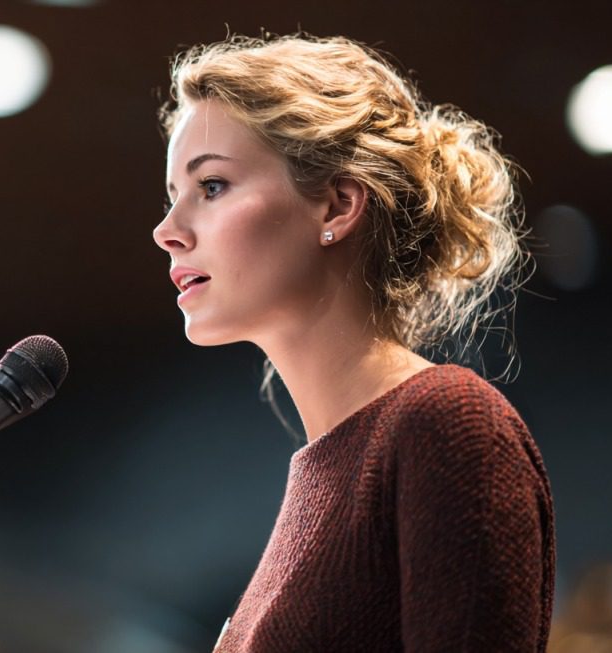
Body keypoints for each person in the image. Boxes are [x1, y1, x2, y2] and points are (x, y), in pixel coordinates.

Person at [152, 33, 555, 652]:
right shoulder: (325, 472)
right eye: (173, 196)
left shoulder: (447, 426)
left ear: (337, 206)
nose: (167, 231)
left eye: (211, 187)